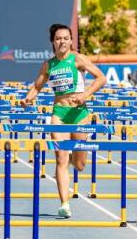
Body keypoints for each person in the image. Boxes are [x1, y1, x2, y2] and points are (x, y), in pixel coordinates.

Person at [21, 24, 106, 218]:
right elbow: (37, 86)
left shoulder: (78, 59)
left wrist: (85, 95)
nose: (62, 41)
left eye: (66, 38)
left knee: (80, 164)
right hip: (59, 113)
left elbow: (101, 78)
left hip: (79, 114)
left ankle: (78, 160)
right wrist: (28, 98)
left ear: (71, 41)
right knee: (61, 157)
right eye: (59, 38)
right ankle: (64, 204)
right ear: (53, 41)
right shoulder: (48, 65)